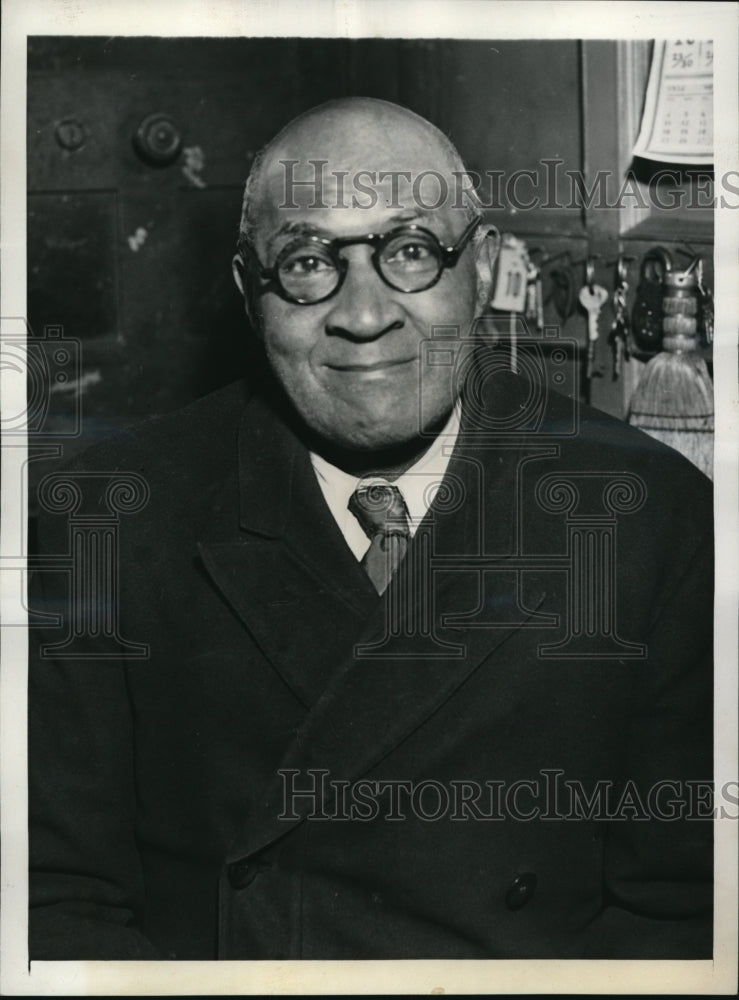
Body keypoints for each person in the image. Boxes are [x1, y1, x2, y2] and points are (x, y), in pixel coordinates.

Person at [29, 98, 713, 961]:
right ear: (250, 293)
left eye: (411, 251)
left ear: (483, 267)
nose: (363, 314)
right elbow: (54, 899)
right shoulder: (108, 516)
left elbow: (680, 919)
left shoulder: (649, 517)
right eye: (309, 261)